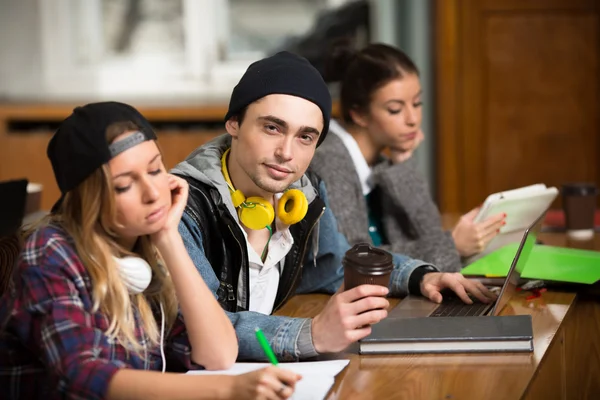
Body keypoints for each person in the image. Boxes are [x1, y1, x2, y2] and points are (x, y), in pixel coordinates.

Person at [173, 51, 497, 362]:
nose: (287, 152)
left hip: (267, 373)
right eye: (272, 127)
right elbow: (196, 328)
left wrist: (421, 276)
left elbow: (338, 266)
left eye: (305, 137)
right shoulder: (182, 208)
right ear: (233, 123)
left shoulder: (304, 192)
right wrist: (311, 333)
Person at [0, 102, 300, 400]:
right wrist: (230, 389)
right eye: (124, 186)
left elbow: (218, 354)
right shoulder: (50, 253)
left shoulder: (145, 247)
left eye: (155, 170)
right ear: (89, 198)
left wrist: (169, 239)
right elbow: (83, 375)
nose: (153, 193)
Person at [312, 42, 507, 271]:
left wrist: (403, 162)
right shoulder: (329, 160)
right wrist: (452, 245)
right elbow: (351, 260)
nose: (412, 118)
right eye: (395, 109)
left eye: (417, 103)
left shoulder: (381, 161)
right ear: (359, 114)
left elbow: (429, 234)